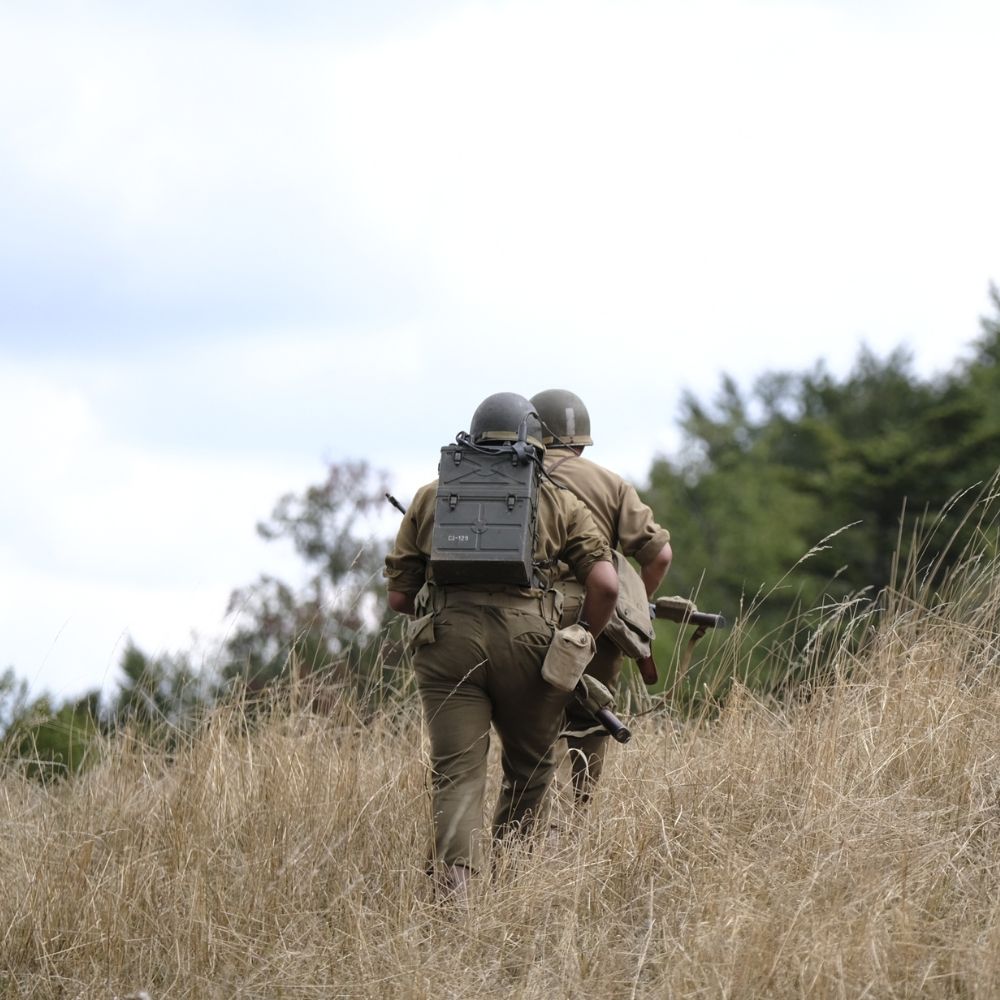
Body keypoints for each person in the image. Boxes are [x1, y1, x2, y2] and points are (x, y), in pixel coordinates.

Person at [384, 391, 619, 898]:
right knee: (531, 767)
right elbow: (606, 584)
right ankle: (515, 891)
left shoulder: (433, 495)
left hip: (447, 647)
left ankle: (456, 892)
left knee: (457, 774)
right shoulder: (559, 499)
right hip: (531, 648)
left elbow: (400, 597)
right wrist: (583, 638)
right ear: (534, 442)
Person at [529, 388, 673, 804]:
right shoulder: (611, 484)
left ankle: (539, 824)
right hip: (598, 615)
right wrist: (624, 607)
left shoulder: (522, 478)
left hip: (530, 615)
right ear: (580, 440)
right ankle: (578, 824)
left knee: (538, 720)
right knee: (592, 719)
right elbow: (658, 555)